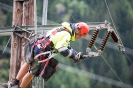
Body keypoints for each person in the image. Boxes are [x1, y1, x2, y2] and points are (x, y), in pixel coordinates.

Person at [3, 22, 89, 88]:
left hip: (37, 45)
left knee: (27, 63)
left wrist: (76, 54)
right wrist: (73, 56)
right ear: (77, 30)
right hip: (42, 52)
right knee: (31, 72)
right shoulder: (66, 35)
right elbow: (62, 49)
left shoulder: (64, 28)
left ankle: (14, 82)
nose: (79, 37)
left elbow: (66, 46)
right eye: (80, 35)